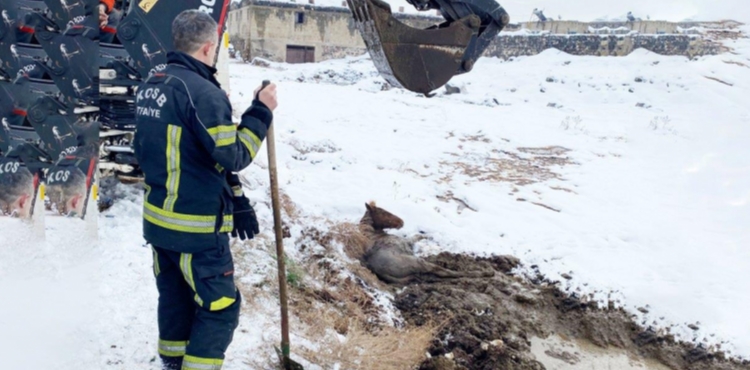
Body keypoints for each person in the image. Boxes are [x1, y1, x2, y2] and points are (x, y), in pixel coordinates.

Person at [133, 10, 278, 370]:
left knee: (175, 298)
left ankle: (172, 362)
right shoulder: (203, 93)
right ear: (209, 47)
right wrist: (260, 111)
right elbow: (234, 154)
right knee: (220, 308)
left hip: (159, 223)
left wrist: (237, 198)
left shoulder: (154, 82)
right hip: (196, 230)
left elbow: (191, 152)